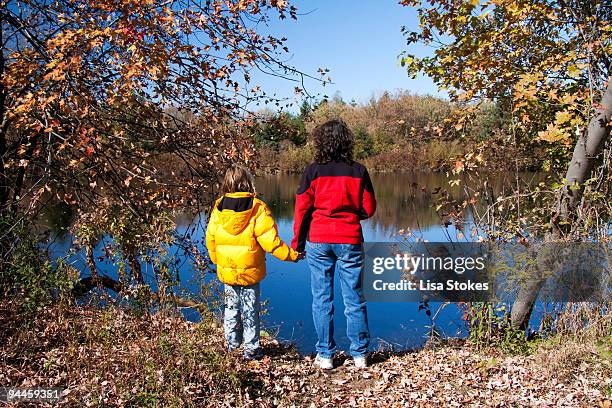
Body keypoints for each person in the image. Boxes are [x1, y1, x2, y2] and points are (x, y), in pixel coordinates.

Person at [291, 119, 376, 369]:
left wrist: (298, 244)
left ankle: (325, 355)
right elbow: (369, 208)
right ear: (347, 141)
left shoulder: (312, 171)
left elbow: (301, 210)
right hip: (349, 237)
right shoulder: (358, 171)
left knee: (322, 298)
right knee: (354, 298)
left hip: (318, 239)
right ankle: (359, 354)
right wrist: (351, 214)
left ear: (321, 142)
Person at [206, 164, 303, 360]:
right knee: (250, 309)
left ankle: (232, 345)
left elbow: (211, 239)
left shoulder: (219, 208)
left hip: (228, 270)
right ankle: (251, 349)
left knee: (231, 308)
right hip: (250, 272)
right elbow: (271, 242)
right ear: (247, 183)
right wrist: (292, 255)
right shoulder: (257, 208)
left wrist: (218, 261)